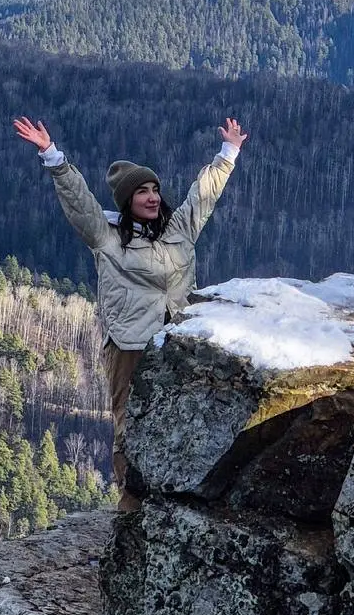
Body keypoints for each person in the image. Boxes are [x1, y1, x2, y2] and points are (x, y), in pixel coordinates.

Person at [12, 115, 248, 512]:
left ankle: (179, 496)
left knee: (182, 418)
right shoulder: (105, 237)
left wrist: (229, 153)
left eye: (155, 189)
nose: (153, 197)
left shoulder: (178, 229)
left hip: (178, 340)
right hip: (131, 344)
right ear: (127, 200)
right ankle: (131, 502)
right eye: (142, 192)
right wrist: (51, 155)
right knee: (129, 422)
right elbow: (79, 202)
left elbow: (203, 194)